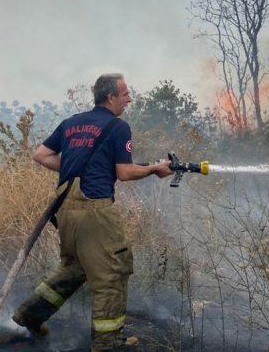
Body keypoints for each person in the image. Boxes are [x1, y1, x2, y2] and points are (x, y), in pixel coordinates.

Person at [11, 73, 173, 351]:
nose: (129, 99)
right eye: (125, 94)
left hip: (66, 213)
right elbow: (124, 173)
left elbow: (40, 155)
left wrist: (75, 168)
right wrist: (155, 169)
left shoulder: (71, 123)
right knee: (112, 272)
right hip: (96, 213)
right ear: (110, 97)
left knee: (73, 269)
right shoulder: (117, 126)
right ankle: (107, 344)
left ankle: (29, 316)